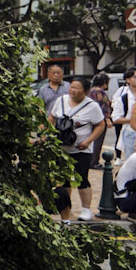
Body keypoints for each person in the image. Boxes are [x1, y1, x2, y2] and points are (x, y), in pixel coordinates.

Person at [48, 78, 105, 222]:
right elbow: (52, 118)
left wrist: (88, 141)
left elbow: (100, 125)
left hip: (81, 149)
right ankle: (67, 208)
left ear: (85, 91)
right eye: (71, 87)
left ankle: (86, 209)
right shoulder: (61, 100)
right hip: (61, 148)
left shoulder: (92, 106)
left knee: (82, 179)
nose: (72, 90)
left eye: (77, 88)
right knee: (64, 180)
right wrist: (49, 134)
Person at [111, 67, 136, 161]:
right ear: (128, 80)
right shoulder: (123, 97)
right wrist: (134, 120)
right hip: (131, 131)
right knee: (133, 161)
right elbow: (116, 118)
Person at [87, 73, 113, 167]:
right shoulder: (100, 92)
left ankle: (90, 160)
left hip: (90, 118)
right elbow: (104, 106)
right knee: (98, 141)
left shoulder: (90, 91)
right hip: (100, 119)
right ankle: (94, 162)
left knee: (91, 140)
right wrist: (108, 119)